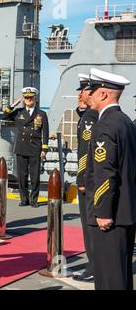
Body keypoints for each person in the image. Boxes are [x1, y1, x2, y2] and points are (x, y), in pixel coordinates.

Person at [83, 68, 136, 290]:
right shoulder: (125, 121)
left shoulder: (104, 126)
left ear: (103, 93)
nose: (89, 95)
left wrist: (103, 213)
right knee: (121, 273)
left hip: (111, 214)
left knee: (109, 278)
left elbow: (106, 172)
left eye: (92, 90)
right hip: (126, 211)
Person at [3, 87, 49, 208]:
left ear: (35, 98)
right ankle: (24, 199)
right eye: (26, 97)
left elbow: (45, 132)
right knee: (22, 176)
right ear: (23, 99)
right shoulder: (19, 113)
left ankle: (34, 200)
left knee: (35, 176)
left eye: (31, 97)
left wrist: (44, 149)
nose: (28, 99)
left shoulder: (41, 114)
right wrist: (13, 104)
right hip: (22, 147)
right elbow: (5, 116)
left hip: (35, 148)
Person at [72, 73, 98, 283]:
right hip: (92, 178)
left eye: (84, 90)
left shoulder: (90, 118)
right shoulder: (88, 115)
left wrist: (81, 179)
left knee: (90, 224)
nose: (80, 94)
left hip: (88, 181)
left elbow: (86, 152)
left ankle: (94, 266)